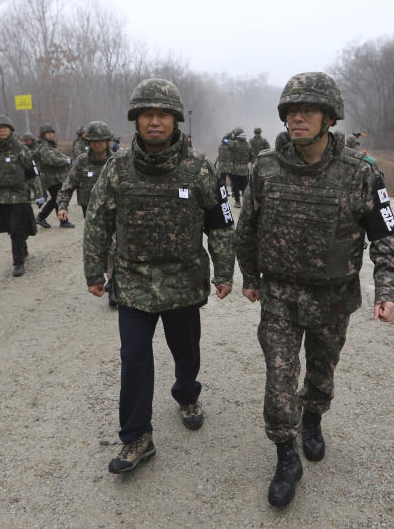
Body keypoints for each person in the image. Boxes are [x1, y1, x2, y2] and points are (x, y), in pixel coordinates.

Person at [235, 72, 394, 508]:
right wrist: (251, 277)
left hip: (333, 298)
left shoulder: (361, 174)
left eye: (308, 111)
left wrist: (387, 289)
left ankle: (312, 417)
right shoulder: (265, 168)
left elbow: (386, 238)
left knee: (321, 370)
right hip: (280, 297)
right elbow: (247, 228)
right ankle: (284, 453)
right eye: (291, 111)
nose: (297, 118)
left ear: (329, 118)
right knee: (279, 377)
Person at [83, 78, 235, 475]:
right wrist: (94, 269)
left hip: (183, 282)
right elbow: (97, 220)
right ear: (136, 119)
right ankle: (137, 437)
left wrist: (224, 271)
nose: (155, 121)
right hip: (133, 282)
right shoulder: (117, 168)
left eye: (163, 114)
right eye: (147, 114)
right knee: (134, 358)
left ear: (175, 120)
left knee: (186, 352)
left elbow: (219, 223)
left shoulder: (200, 168)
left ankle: (187, 394)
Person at [0, 115, 44, 277]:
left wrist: (38, 193)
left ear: (11, 130)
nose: (3, 130)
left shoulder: (21, 149)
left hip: (19, 194)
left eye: (5, 128)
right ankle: (22, 247)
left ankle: (18, 263)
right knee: (12, 228)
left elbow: (32, 172)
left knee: (16, 228)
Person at [58, 120, 117, 306]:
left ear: (107, 141)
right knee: (102, 249)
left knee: (115, 247)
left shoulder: (117, 160)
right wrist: (62, 206)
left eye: (101, 141)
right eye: (94, 141)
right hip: (92, 216)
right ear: (88, 142)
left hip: (115, 213)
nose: (98, 145)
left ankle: (115, 285)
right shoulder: (82, 161)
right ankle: (109, 278)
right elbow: (68, 185)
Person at [33, 123, 74, 229]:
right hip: (49, 178)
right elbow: (51, 160)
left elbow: (59, 155)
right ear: (43, 135)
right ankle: (45, 218)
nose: (51, 135)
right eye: (48, 133)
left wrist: (68, 159)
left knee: (56, 198)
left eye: (52, 133)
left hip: (56, 177)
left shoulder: (51, 145)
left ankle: (53, 219)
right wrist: (66, 161)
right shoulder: (43, 147)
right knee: (57, 198)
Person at [226, 126, 251, 207]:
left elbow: (224, 141)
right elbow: (251, 157)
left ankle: (237, 202)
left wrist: (230, 133)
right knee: (245, 187)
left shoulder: (233, 143)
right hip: (244, 170)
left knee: (235, 186)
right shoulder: (248, 145)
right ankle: (246, 202)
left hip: (234, 170)